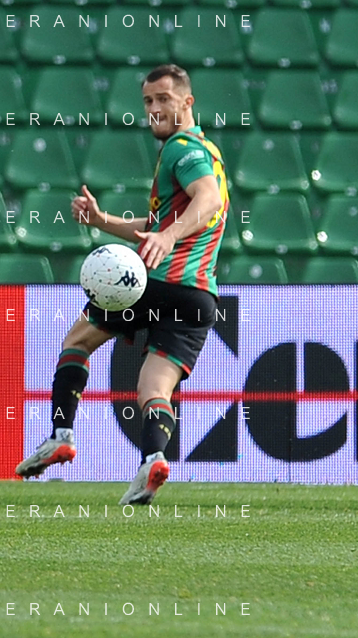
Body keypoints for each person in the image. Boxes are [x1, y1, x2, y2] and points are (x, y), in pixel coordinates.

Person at [15, 64, 228, 505]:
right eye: (148, 101)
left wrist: (169, 237)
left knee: (77, 341)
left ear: (188, 102)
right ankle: (153, 460)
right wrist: (102, 221)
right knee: (154, 390)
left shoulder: (182, 149)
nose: (154, 109)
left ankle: (61, 434)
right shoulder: (210, 152)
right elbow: (156, 225)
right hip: (199, 297)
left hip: (157, 282)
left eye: (164, 99)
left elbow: (207, 199)